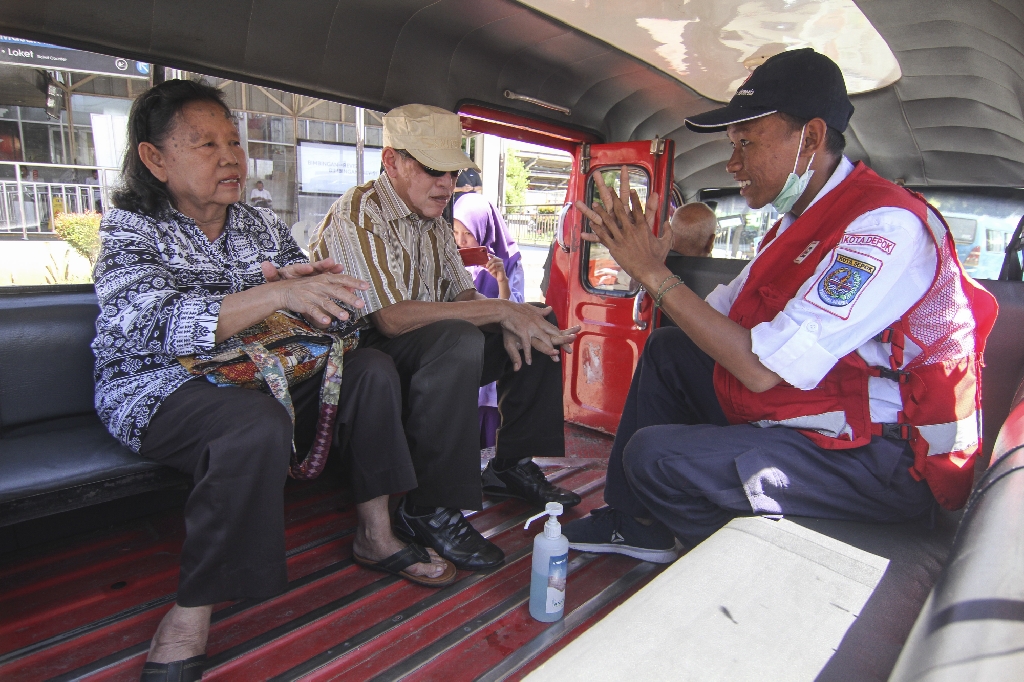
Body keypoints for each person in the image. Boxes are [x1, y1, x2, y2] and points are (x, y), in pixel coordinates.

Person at [562, 48, 996, 563]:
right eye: (731, 145)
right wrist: (659, 270)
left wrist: (655, 276)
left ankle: (752, 557)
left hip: (882, 460)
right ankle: (634, 523)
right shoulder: (794, 225)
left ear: (810, 139)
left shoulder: (885, 228)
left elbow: (761, 371)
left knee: (653, 457)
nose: (733, 162)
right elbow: (718, 321)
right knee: (668, 350)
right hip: (821, 416)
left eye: (746, 142)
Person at [92, 81, 454, 682]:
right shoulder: (131, 229)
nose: (231, 156)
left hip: (263, 373)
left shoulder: (256, 224)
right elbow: (153, 321)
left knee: (369, 367)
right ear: (154, 160)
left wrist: (306, 283)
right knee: (254, 422)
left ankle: (376, 532)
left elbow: (281, 296)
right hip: (157, 387)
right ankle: (192, 611)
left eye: (233, 140)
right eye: (205, 144)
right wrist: (276, 290)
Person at [310, 104, 582, 573]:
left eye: (452, 172)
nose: (447, 183)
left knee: (539, 320)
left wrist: (511, 317)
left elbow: (459, 294)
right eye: (433, 169)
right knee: (459, 338)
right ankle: (428, 507)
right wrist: (497, 309)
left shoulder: (432, 218)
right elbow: (392, 320)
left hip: (425, 345)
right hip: (360, 357)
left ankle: (510, 464)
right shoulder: (359, 214)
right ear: (391, 161)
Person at [453, 191, 525, 448]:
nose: (461, 241)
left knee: (491, 419)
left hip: (493, 352)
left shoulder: (510, 261)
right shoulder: (451, 259)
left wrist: (501, 281)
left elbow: (517, 311)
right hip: (461, 352)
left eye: (468, 233)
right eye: (455, 232)